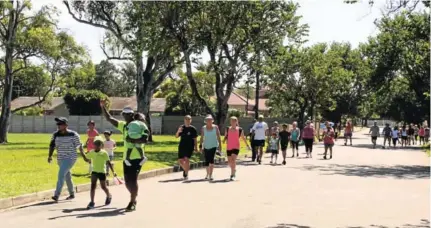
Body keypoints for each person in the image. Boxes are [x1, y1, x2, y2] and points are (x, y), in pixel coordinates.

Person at [100, 101, 148, 212]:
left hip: (137, 158)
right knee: (127, 181)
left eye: (128, 114)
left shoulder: (139, 125)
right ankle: (133, 196)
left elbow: (144, 139)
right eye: (124, 114)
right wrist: (103, 107)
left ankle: (132, 201)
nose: (126, 116)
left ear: (132, 115)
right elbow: (109, 118)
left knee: (133, 179)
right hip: (127, 158)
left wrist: (132, 140)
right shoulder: (123, 126)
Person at [48, 117, 84, 202]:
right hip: (60, 158)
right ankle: (72, 193)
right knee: (67, 176)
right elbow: (52, 146)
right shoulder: (55, 135)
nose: (58, 126)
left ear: (65, 125)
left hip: (71, 158)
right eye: (58, 124)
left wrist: (84, 156)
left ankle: (56, 195)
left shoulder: (73, 134)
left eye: (60, 124)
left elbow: (79, 146)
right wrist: (50, 156)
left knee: (61, 175)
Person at [80, 136, 116, 209]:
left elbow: (108, 162)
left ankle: (109, 195)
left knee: (103, 187)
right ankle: (92, 202)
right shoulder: (92, 152)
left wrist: (113, 171)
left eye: (99, 144)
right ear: (94, 144)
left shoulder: (104, 153)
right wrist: (81, 151)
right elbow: (86, 159)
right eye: (96, 143)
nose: (97, 145)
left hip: (102, 172)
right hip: (94, 171)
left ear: (101, 145)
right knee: (93, 186)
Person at [224, 116, 250, 181]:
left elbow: (243, 138)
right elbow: (225, 137)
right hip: (229, 147)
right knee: (229, 162)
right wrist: (223, 141)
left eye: (234, 121)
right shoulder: (227, 128)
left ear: (236, 122)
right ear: (230, 122)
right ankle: (234, 169)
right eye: (232, 121)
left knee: (233, 160)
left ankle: (232, 175)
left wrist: (247, 145)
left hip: (236, 147)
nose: (233, 122)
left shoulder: (240, 129)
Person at [175, 115, 198, 180]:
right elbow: (176, 136)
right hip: (182, 145)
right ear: (184, 120)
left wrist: (196, 147)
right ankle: (186, 170)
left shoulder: (193, 129)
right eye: (186, 119)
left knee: (186, 159)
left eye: (189, 119)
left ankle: (186, 174)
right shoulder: (181, 127)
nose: (187, 121)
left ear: (191, 120)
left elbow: (195, 139)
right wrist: (178, 131)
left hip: (190, 146)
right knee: (180, 161)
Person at [199, 115, 222, 180]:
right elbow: (201, 137)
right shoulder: (203, 128)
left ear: (212, 121)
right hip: (206, 146)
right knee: (207, 160)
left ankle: (211, 175)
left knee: (211, 160)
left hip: (213, 145)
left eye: (210, 120)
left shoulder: (216, 127)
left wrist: (220, 146)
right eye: (207, 120)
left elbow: (218, 137)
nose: (209, 121)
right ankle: (207, 173)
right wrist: (200, 146)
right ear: (205, 121)